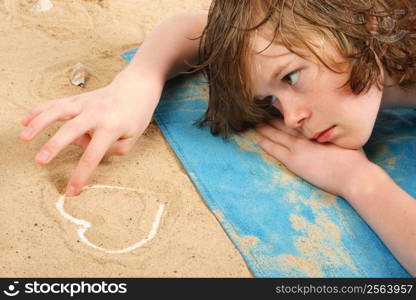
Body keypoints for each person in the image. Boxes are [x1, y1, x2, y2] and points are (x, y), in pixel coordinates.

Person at [20, 0, 416, 275]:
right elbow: (197, 29)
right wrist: (136, 85)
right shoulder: (346, 28)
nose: (292, 117)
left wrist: (360, 183)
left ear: (366, 22)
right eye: (272, 100)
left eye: (292, 76)